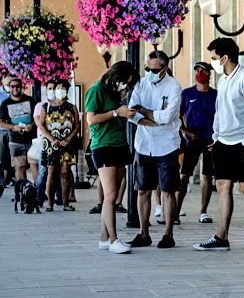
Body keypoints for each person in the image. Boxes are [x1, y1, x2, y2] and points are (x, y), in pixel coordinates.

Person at [193, 38, 244, 251]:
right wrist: (216, 136)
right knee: (222, 186)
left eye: (214, 58)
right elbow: (220, 110)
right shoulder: (224, 80)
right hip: (223, 141)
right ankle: (221, 237)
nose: (212, 63)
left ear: (225, 57)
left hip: (242, 142)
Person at [126, 51, 183, 249]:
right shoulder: (141, 84)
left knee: (168, 190)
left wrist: (143, 111)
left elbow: (167, 117)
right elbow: (130, 112)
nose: (150, 72)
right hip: (144, 144)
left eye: (154, 69)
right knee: (142, 189)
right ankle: (144, 233)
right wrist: (149, 119)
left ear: (164, 69)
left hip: (167, 145)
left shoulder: (174, 87)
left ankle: (168, 233)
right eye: (147, 68)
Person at [86, 62, 140, 254]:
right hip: (104, 145)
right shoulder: (96, 90)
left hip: (119, 144)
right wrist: (116, 112)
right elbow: (91, 119)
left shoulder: (114, 93)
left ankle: (104, 237)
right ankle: (114, 239)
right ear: (116, 76)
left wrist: (127, 112)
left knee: (115, 193)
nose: (126, 87)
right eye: (126, 82)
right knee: (110, 196)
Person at [177, 63, 217, 224]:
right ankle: (176, 211)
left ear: (209, 75)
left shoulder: (215, 95)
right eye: (197, 71)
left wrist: (217, 138)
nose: (200, 74)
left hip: (210, 140)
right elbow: (177, 116)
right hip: (192, 139)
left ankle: (203, 211)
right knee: (185, 175)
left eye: (203, 71)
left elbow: (222, 116)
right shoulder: (187, 94)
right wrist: (185, 131)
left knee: (207, 176)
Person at [36, 79, 80, 212]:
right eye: (58, 87)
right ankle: (50, 203)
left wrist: (68, 139)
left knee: (66, 172)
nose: (60, 90)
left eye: (63, 88)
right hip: (51, 145)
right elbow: (41, 125)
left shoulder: (72, 107)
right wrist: (52, 139)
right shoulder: (46, 107)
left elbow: (77, 125)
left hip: (67, 144)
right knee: (51, 172)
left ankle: (65, 203)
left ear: (67, 90)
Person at [0, 77, 38, 183]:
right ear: (9, 88)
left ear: (21, 87)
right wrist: (13, 127)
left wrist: (32, 124)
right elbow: (1, 121)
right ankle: (23, 192)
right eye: (12, 86)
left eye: (17, 86)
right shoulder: (5, 103)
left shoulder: (30, 100)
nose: (15, 88)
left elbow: (38, 117)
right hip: (15, 141)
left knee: (34, 165)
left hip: (32, 140)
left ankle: (39, 193)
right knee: (19, 167)